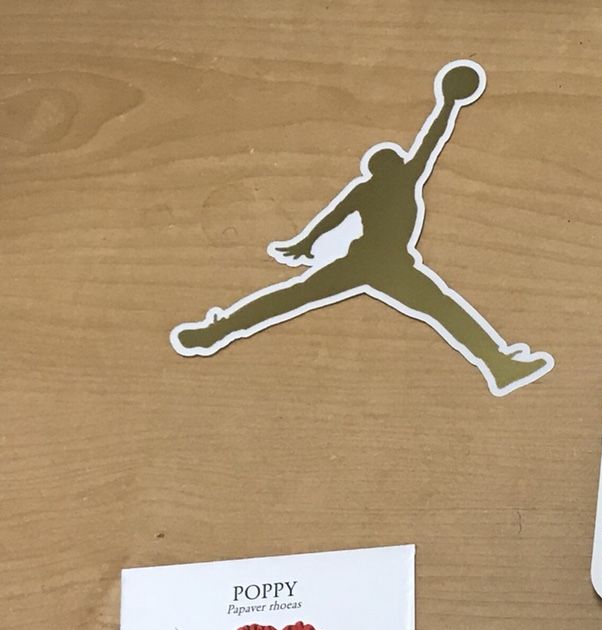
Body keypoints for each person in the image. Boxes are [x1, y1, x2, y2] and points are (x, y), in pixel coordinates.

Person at [170, 62, 552, 396]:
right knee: (441, 309)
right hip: (385, 266)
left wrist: (305, 243)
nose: (400, 159)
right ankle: (498, 364)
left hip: (372, 264)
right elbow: (429, 141)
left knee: (295, 296)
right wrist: (449, 104)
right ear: (386, 167)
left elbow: (331, 219)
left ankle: (217, 331)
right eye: (394, 159)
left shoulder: (373, 186)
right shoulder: (399, 181)